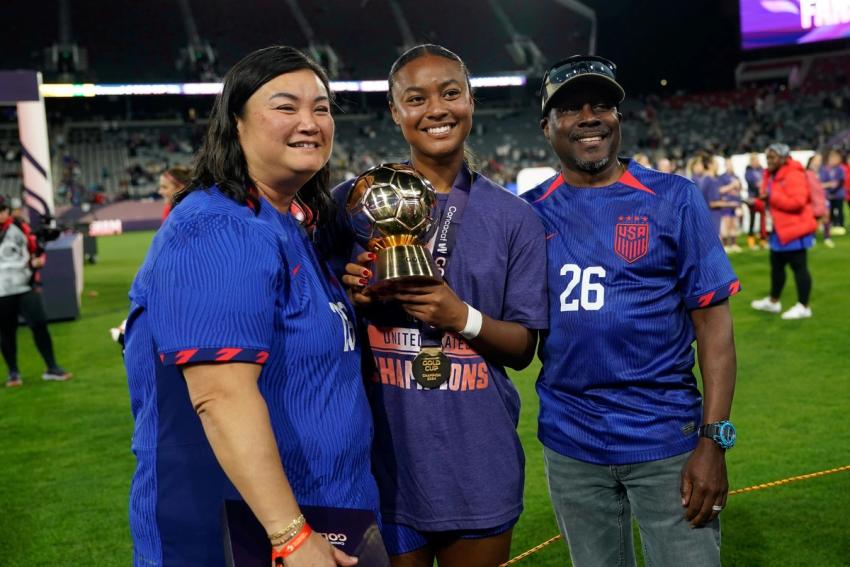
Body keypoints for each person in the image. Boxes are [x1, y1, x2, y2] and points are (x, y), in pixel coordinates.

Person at [122, 46, 378, 566]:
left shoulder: (285, 223)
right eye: (285, 107)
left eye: (322, 107)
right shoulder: (217, 229)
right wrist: (290, 535)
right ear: (235, 123)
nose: (309, 121)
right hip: (245, 535)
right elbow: (220, 397)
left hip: (327, 518)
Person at [322, 44, 547, 567]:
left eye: (451, 93)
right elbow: (314, 326)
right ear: (395, 111)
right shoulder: (350, 204)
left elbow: (522, 348)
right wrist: (350, 297)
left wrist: (458, 316)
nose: (437, 109)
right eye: (416, 98)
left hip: (476, 462)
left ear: (471, 100)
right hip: (383, 465)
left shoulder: (515, 218)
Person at [522, 55, 739, 567]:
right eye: (571, 108)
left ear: (619, 118)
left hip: (668, 442)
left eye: (602, 105)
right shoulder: (528, 214)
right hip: (571, 446)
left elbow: (715, 330)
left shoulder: (674, 199)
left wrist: (715, 440)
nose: (589, 117)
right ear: (547, 127)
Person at [0, 196, 72, 387]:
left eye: (2, 209)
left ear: (7, 210)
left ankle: (52, 367)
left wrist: (38, 261)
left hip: (25, 286)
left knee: (40, 324)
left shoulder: (20, 227)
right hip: (1, 291)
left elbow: (34, 250)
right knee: (6, 332)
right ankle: (13, 373)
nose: (1, 213)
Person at [750, 144, 817, 320]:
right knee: (777, 268)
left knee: (799, 268)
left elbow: (798, 202)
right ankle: (774, 301)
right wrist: (756, 203)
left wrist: (771, 197)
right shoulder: (771, 174)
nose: (768, 161)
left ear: (783, 158)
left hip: (794, 230)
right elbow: (770, 203)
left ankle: (804, 306)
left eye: (772, 157)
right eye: (767, 157)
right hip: (778, 230)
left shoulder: (794, 174)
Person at [806, 154, 831, 248]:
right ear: (811, 162)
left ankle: (827, 238)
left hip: (822, 199)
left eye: (819, 160)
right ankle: (812, 238)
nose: (818, 162)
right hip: (813, 200)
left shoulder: (823, 172)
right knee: (813, 221)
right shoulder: (808, 173)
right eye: (817, 160)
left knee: (826, 218)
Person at [820, 149, 845, 235]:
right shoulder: (824, 169)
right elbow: (822, 181)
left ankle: (840, 225)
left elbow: (840, 181)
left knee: (839, 210)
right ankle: (831, 225)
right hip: (828, 195)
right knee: (829, 211)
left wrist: (832, 187)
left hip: (838, 195)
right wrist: (829, 186)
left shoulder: (840, 169)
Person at [744, 153, 765, 249]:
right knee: (752, 219)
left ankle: (762, 239)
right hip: (753, 198)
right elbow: (752, 183)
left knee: (763, 219)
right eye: (755, 160)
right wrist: (759, 185)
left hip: (761, 197)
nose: (757, 162)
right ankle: (751, 239)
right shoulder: (748, 171)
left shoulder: (762, 170)